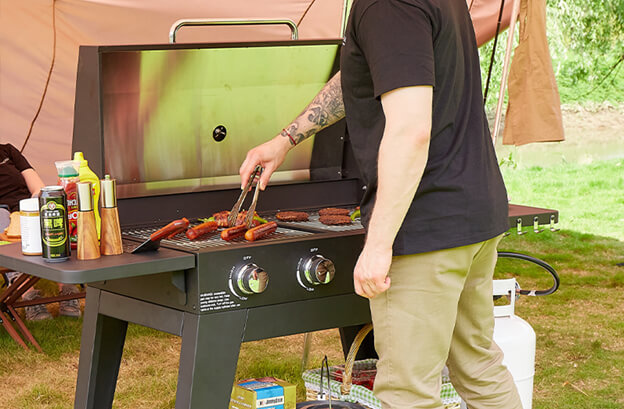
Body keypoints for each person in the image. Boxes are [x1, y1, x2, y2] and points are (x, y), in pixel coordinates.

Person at [239, 0, 523, 408]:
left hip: (426, 224)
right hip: (473, 212)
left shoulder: (387, 5)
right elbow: (365, 73)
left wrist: (377, 244)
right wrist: (287, 138)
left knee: (407, 392)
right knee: (478, 367)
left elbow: (410, 131)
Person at [0, 142, 81, 320]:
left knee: (51, 209)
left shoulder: (7, 151)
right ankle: (29, 296)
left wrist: (36, 205)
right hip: (1, 213)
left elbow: (37, 187)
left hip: (27, 205)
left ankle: (67, 288)